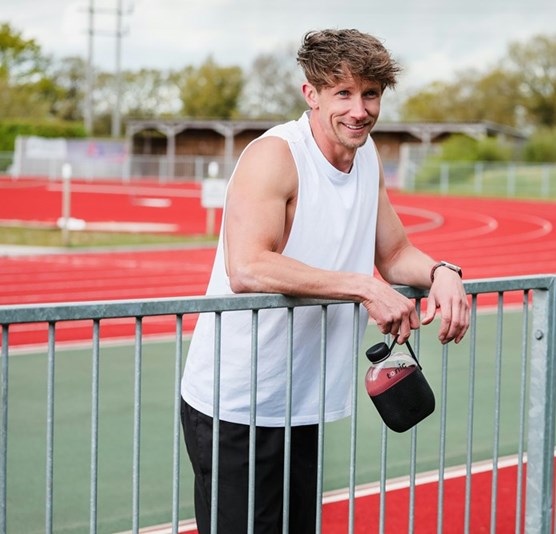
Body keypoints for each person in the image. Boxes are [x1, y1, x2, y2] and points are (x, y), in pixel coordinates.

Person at [180, 28, 470, 533]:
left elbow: (396, 252)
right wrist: (364, 286)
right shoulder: (276, 156)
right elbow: (247, 266)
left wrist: (443, 272)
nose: (359, 110)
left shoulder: (368, 156)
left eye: (371, 94)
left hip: (302, 400)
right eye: (343, 93)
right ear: (310, 95)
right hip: (239, 402)